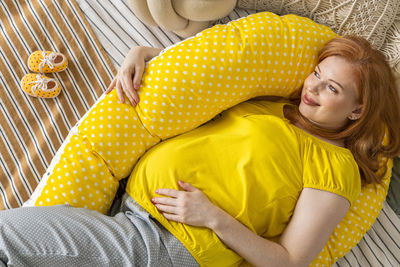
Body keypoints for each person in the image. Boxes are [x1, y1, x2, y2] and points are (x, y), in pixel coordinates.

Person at [0, 35, 399, 267]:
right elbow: (200, 73)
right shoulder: (276, 108)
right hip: (136, 216)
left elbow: (291, 261)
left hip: (169, 246)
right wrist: (140, 54)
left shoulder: (337, 167)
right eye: (317, 74)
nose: (312, 87)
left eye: (333, 88)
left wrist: (213, 217)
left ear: (358, 110)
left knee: (8, 239)